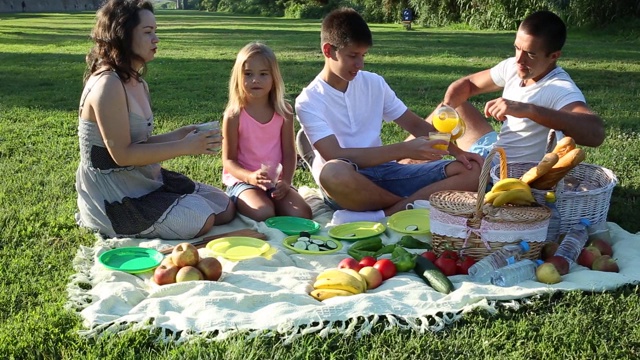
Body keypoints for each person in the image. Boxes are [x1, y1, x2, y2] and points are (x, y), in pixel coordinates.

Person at [295, 8, 482, 224]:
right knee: (332, 173)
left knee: (473, 170)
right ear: (329, 50)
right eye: (353, 56)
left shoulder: (374, 83)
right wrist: (404, 149)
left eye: (363, 55)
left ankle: (391, 212)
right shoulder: (308, 100)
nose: (360, 65)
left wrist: (457, 151)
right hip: (348, 179)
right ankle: (409, 204)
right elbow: (336, 154)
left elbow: (415, 124)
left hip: (386, 172)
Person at [75, 0, 235, 240]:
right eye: (148, 32)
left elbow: (139, 143)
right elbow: (122, 155)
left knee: (224, 206)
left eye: (155, 32)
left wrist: (182, 133)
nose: (156, 39)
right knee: (201, 219)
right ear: (123, 34)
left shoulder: (137, 81)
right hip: (115, 193)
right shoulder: (107, 85)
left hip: (142, 177)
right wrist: (184, 147)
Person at [435, 10, 605, 162]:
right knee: (453, 107)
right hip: (492, 148)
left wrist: (529, 110)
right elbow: (469, 85)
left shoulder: (559, 87)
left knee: (424, 175)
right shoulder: (513, 66)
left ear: (553, 56)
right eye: (517, 48)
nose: (519, 59)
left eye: (530, 54)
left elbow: (595, 133)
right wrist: (447, 108)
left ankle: (412, 164)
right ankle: (417, 154)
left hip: (502, 170)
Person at [221, 42, 312, 221]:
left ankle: (272, 200)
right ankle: (238, 199)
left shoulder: (284, 111)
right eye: (248, 74)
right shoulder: (234, 115)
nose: (255, 80)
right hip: (244, 181)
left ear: (274, 78)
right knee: (264, 212)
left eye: (263, 74)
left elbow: (289, 152)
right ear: (238, 77)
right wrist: (250, 177)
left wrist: (286, 181)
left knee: (302, 214)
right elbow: (229, 161)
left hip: (276, 182)